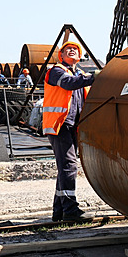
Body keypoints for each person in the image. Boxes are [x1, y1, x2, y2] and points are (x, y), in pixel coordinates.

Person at [43, 41, 95, 222]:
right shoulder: (57, 71)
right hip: (60, 125)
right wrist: (94, 77)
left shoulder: (79, 74)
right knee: (69, 166)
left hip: (73, 126)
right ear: (61, 55)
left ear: (79, 56)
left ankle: (59, 211)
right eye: (67, 49)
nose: (71, 50)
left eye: (75, 49)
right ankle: (70, 209)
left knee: (65, 167)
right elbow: (68, 84)